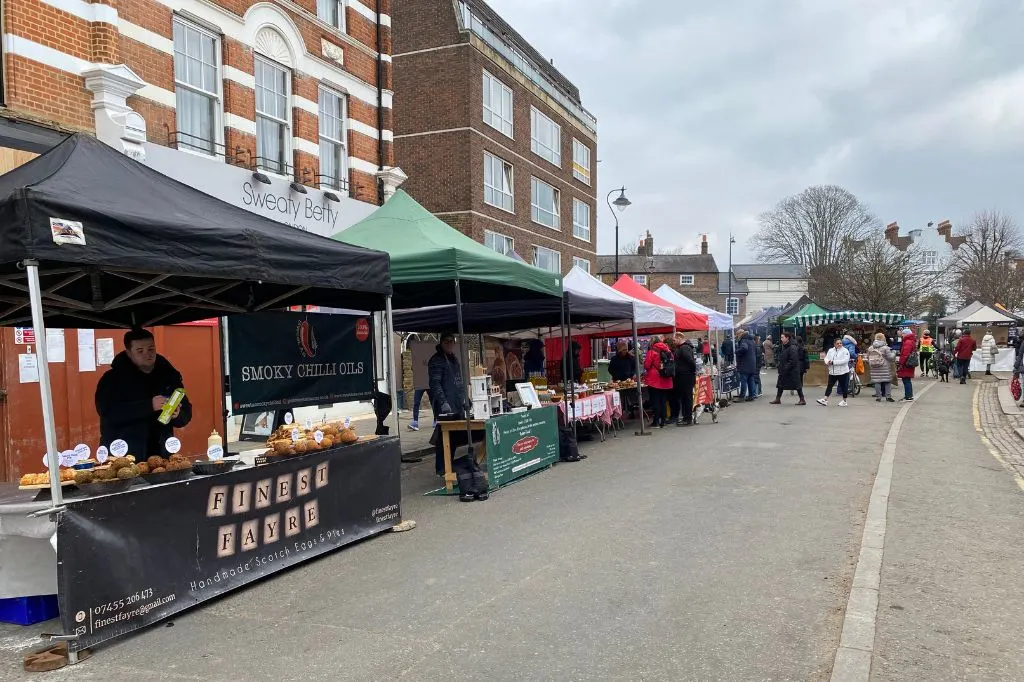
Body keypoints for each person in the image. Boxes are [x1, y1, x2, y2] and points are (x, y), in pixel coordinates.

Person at [95, 328, 193, 457]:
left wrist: (177, 415)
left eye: (151, 349)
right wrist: (149, 406)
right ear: (129, 353)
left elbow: (186, 413)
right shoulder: (112, 379)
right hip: (124, 456)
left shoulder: (168, 375)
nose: (147, 354)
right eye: (140, 351)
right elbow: (108, 412)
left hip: (161, 455)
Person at [428, 334, 486, 501]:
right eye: (447, 342)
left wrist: (465, 399)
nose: (450, 344)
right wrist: (443, 402)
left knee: (453, 437)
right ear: (441, 342)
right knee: (444, 436)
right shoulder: (436, 360)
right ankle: (442, 469)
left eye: (452, 342)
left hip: (457, 402)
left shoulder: (453, 359)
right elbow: (435, 383)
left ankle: (450, 467)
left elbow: (459, 382)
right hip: (444, 404)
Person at [643, 335, 674, 428]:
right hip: (666, 378)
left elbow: (647, 365)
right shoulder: (668, 351)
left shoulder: (652, 351)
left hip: (654, 379)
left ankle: (656, 421)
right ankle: (663, 421)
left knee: (655, 401)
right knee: (663, 401)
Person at [770, 332, 806, 405]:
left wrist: (785, 368)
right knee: (780, 384)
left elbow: (793, 360)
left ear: (787, 338)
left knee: (797, 385)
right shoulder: (785, 346)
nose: (781, 339)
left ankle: (802, 399)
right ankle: (778, 399)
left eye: (782, 337)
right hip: (785, 369)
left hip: (792, 370)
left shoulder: (792, 347)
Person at [671, 333, 697, 426]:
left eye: (674, 340)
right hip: (683, 375)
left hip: (686, 376)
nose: (673, 342)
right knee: (685, 398)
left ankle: (688, 419)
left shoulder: (684, 348)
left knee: (687, 398)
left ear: (679, 338)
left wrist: (692, 371)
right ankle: (686, 417)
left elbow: (690, 361)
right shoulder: (682, 348)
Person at [817, 338, 851, 406]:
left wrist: (833, 362)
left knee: (844, 386)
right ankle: (825, 399)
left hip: (843, 372)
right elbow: (826, 358)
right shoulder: (831, 350)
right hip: (832, 372)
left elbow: (845, 360)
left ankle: (844, 401)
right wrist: (827, 362)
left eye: (840, 343)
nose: (839, 344)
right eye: (838, 343)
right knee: (829, 385)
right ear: (834, 344)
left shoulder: (845, 351)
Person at [867, 332, 896, 401]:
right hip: (885, 367)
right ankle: (888, 397)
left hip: (874, 367)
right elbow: (890, 358)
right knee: (887, 382)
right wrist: (894, 353)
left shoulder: (871, 348)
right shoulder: (885, 348)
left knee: (877, 382)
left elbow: (868, 357)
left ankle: (878, 397)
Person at [734, 328, 757, 402]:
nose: (737, 337)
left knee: (743, 380)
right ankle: (751, 396)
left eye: (737, 335)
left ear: (740, 334)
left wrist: (737, 352)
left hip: (745, 364)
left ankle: (742, 397)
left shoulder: (743, 340)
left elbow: (744, 348)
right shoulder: (751, 340)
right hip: (752, 363)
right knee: (750, 380)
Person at [896, 328, 918, 400]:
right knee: (907, 379)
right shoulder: (911, 341)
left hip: (906, 363)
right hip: (909, 362)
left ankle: (908, 396)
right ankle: (908, 395)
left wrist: (901, 363)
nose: (902, 335)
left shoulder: (907, 342)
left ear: (906, 334)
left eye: (902, 334)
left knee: (906, 380)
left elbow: (905, 354)